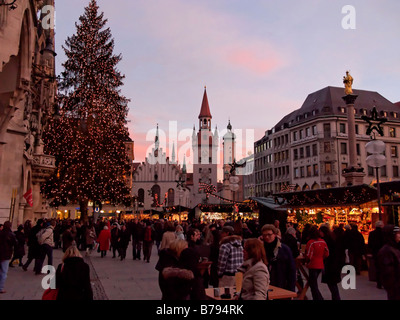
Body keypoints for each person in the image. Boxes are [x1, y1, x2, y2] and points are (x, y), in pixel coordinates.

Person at [261, 224, 296, 292]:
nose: (267, 237)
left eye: (269, 234)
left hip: (281, 284)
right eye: (264, 235)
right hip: (264, 285)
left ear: (274, 234)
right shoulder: (260, 249)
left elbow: (291, 270)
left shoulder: (284, 249)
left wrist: (291, 289)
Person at [305, 225, 329, 300]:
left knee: (313, 284)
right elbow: (327, 253)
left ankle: (317, 298)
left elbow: (309, 255)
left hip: (313, 264)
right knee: (314, 283)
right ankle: (318, 297)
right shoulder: (322, 241)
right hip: (320, 263)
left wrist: (307, 261)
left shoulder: (311, 242)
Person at [377, 225, 400, 300]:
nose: (399, 235)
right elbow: (388, 272)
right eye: (397, 233)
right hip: (395, 287)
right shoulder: (387, 251)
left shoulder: (394, 248)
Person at [319, 224, 341, 300]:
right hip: (334, 264)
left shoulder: (326, 240)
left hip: (330, 264)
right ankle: (336, 297)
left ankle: (336, 298)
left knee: (331, 283)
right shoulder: (332, 238)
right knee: (332, 284)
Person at [0, 221, 17, 293]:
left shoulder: (0, 233)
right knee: (4, 272)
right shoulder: (11, 234)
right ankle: (1, 288)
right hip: (5, 255)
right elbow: (15, 243)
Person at [368, 221, 385, 289]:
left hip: (375, 252)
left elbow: (370, 244)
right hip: (383, 252)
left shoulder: (372, 233)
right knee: (384, 267)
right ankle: (383, 281)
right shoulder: (384, 233)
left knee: (377, 267)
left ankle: (379, 283)